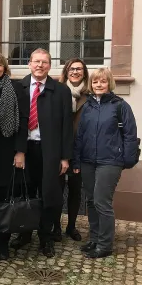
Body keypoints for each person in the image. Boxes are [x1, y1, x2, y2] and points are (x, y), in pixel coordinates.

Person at [11, 48, 73, 258]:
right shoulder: (19, 87)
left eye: (44, 62)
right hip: (25, 150)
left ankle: (46, 237)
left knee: (49, 195)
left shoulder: (61, 91)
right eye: (36, 62)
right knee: (25, 193)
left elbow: (67, 126)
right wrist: (19, 151)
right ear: (29, 64)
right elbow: (16, 123)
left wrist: (65, 157)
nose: (40, 65)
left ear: (50, 65)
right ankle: (24, 234)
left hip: (50, 151)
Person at [74, 68, 138, 259]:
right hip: (87, 161)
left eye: (102, 81)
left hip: (110, 161)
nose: (99, 85)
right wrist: (77, 159)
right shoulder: (88, 106)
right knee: (91, 202)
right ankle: (94, 239)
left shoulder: (120, 106)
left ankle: (105, 244)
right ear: (91, 85)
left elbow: (130, 135)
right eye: (95, 82)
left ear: (109, 83)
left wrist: (126, 160)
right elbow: (80, 135)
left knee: (102, 201)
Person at [0, 51, 29, 260]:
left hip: (6, 150)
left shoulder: (15, 88)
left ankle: (3, 242)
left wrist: (20, 151)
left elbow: (23, 121)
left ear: (5, 68)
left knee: (4, 198)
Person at [54, 58, 90, 242]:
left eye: (79, 69)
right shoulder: (58, 90)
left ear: (84, 72)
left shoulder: (90, 95)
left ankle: (72, 226)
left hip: (80, 150)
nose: (75, 72)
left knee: (76, 190)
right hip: (59, 147)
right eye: (72, 69)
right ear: (66, 71)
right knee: (57, 189)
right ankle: (55, 227)